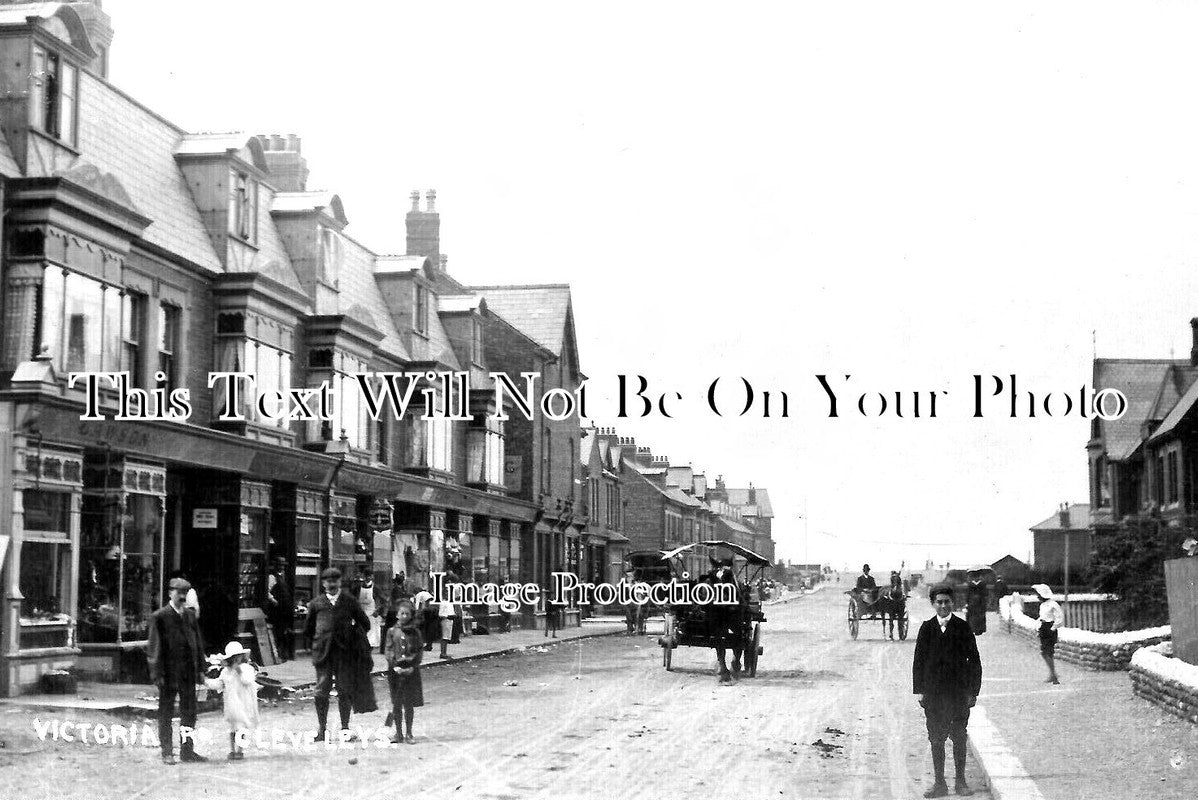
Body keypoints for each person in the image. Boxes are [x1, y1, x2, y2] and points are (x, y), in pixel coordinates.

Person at [912, 584, 982, 798]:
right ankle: (939, 784)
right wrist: (920, 690)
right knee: (936, 738)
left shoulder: (962, 627)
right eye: (939, 602)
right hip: (933, 694)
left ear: (953, 603)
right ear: (933, 604)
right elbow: (919, 661)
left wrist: (973, 691)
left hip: (958, 693)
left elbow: (975, 660)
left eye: (947, 602)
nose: (943, 606)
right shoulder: (926, 628)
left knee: (959, 737)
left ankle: (960, 782)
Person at [303, 567, 378, 742]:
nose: (331, 584)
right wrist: (319, 641)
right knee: (322, 691)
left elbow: (365, 624)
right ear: (323, 584)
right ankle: (322, 730)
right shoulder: (316, 604)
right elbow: (308, 630)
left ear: (339, 582)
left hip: (345, 654)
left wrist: (351, 635)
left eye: (335, 581)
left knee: (344, 691)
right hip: (324, 654)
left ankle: (344, 729)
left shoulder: (349, 601)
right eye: (328, 581)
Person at [146, 577, 208, 764]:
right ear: (169, 593)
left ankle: (187, 751)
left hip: (188, 671)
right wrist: (156, 673)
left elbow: (197, 643)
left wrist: (201, 668)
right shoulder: (160, 617)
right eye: (178, 593)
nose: (182, 596)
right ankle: (166, 751)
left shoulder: (189, 616)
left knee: (189, 711)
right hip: (169, 672)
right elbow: (154, 648)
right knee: (166, 711)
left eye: (185, 593)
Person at [203, 640, 260, 760]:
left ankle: (240, 750)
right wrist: (205, 681)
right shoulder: (226, 671)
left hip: (244, 703)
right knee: (233, 728)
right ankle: (232, 750)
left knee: (242, 728)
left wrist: (238, 670)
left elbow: (247, 680)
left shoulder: (247, 668)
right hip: (231, 704)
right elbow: (219, 684)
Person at [384, 600, 424, 744]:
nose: (405, 616)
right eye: (402, 613)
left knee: (408, 703)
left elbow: (419, 650)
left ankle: (409, 733)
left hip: (411, 671)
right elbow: (388, 650)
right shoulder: (391, 631)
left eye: (407, 613)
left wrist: (413, 666)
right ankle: (398, 733)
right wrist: (394, 665)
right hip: (395, 672)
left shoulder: (415, 632)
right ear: (397, 615)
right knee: (396, 703)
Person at [266, 558, 295, 661]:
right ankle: (279, 655)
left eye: (283, 565)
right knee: (278, 632)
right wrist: (274, 601)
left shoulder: (282, 577)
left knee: (284, 632)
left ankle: (284, 654)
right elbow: (267, 591)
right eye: (280, 565)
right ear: (275, 566)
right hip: (277, 611)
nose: (282, 567)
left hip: (285, 610)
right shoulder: (272, 577)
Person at [1033, 584, 1063, 684]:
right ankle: (1052, 673)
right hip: (1044, 628)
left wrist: (1053, 628)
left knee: (1048, 652)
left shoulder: (1053, 604)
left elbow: (1059, 618)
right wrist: (1038, 628)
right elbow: (1042, 618)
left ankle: (1053, 675)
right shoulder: (1042, 605)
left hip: (1050, 628)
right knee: (1044, 653)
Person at [965, 571, 988, 636]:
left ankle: (972, 629)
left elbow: (968, 595)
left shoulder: (970, 585)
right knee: (980, 616)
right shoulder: (983, 584)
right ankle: (979, 630)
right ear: (979, 577)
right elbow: (985, 594)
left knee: (972, 616)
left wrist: (967, 602)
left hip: (972, 602)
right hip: (980, 602)